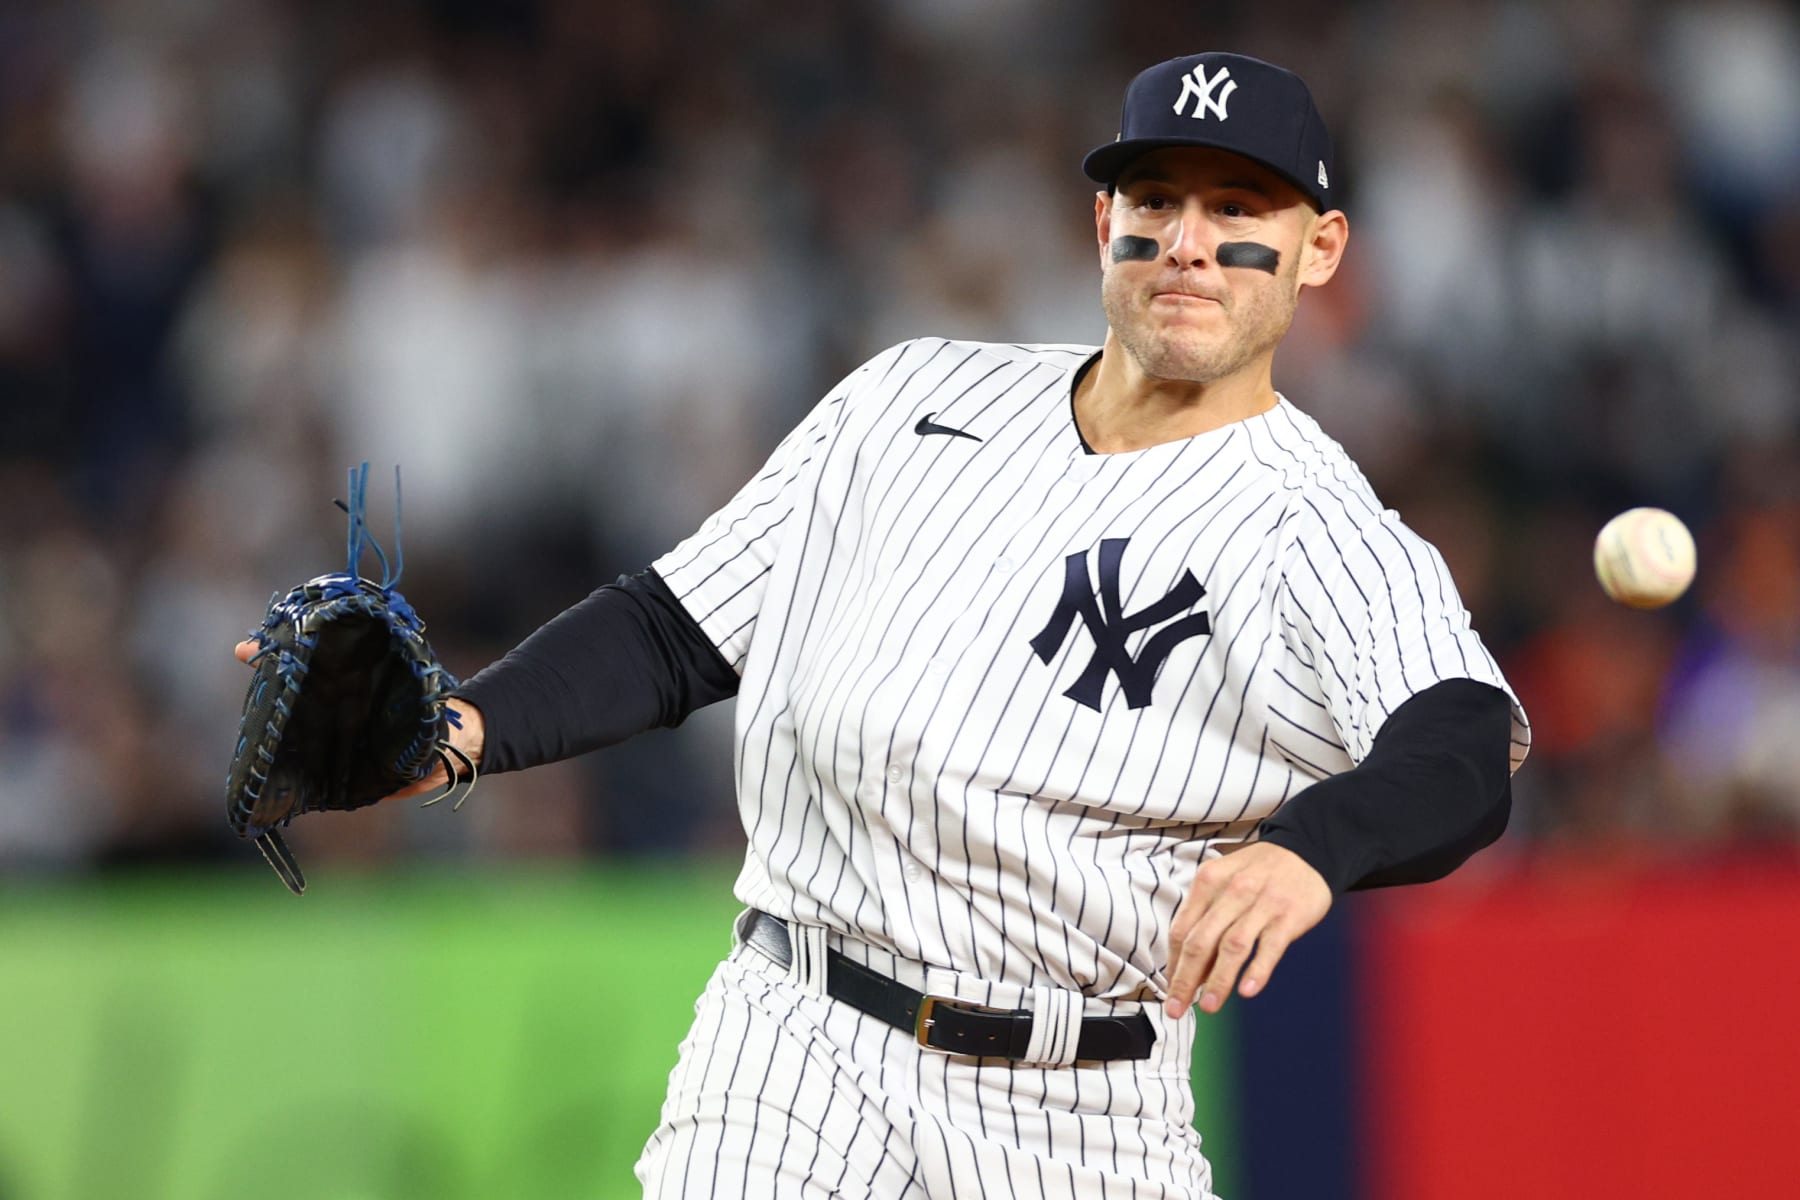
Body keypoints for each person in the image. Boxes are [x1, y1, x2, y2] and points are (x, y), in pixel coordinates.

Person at [242, 51, 1529, 1199]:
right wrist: (463, 727)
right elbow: (675, 629)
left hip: (1081, 1103)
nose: (1188, 242)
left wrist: (1311, 850)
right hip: (797, 1036)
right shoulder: (914, 398)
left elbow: (1464, 744)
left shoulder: (1317, 527)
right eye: (1157, 203)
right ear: (1103, 224)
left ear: (1323, 249)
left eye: (1238, 208)